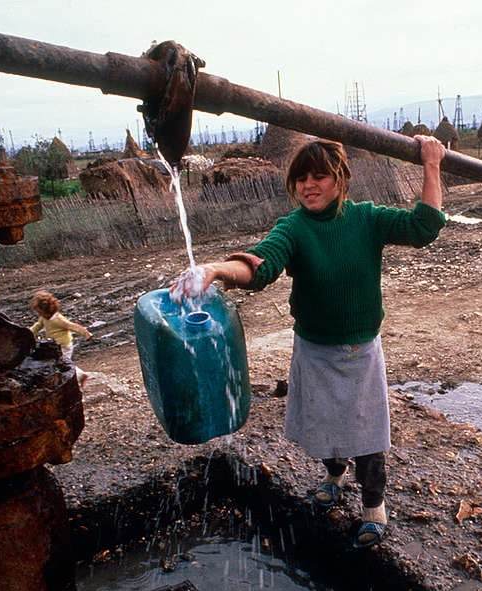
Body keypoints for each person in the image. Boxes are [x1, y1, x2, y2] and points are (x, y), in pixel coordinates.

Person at [171, 135, 446, 548]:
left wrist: (431, 163)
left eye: (319, 176)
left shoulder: (368, 219)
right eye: (301, 178)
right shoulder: (294, 228)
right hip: (314, 349)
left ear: (341, 179)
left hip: (359, 352)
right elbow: (262, 264)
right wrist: (215, 270)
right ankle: (334, 479)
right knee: (322, 426)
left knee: (367, 436)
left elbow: (424, 226)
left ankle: (374, 508)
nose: (308, 185)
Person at [29, 290, 93, 385]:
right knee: (60, 362)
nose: (40, 315)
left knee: (62, 363)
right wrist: (28, 333)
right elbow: (37, 326)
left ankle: (80, 376)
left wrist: (86, 334)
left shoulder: (58, 319)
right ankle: (77, 377)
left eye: (40, 312)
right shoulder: (44, 318)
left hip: (64, 345)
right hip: (55, 345)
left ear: (47, 309)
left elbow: (72, 326)